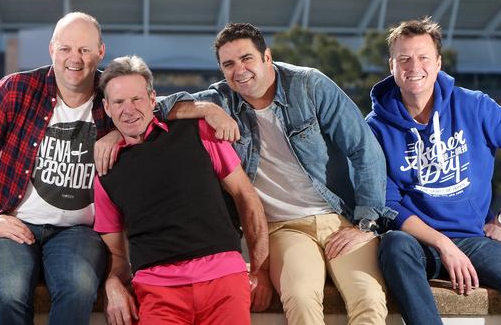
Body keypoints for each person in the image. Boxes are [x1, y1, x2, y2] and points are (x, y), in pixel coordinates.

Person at [158, 23, 393, 325]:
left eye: (247, 59)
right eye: (228, 64)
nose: (239, 70)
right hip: (284, 229)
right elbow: (156, 109)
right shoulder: (222, 99)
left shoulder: (309, 85)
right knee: (299, 297)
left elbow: (365, 149)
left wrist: (366, 224)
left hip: (339, 218)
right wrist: (207, 109)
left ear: (267, 58)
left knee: (369, 298)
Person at [366, 17, 501, 325]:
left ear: (438, 63)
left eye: (422, 57)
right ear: (391, 66)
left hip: (474, 239)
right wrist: (443, 244)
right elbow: (388, 203)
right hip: (420, 245)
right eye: (403, 59)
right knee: (393, 244)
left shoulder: (473, 106)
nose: (413, 66)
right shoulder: (375, 129)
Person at [0, 12, 120, 324]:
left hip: (79, 232)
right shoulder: (17, 90)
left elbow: (155, 112)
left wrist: (120, 131)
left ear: (101, 52)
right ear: (52, 49)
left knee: (78, 289)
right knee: (9, 293)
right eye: (65, 49)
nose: (74, 59)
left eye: (85, 50)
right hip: (12, 222)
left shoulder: (115, 98)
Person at [93, 55, 268, 325]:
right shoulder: (106, 173)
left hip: (223, 280)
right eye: (118, 102)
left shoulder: (198, 130)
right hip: (157, 292)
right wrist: (112, 283)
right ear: (106, 107)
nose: (129, 109)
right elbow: (117, 255)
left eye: (137, 99)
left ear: (153, 99)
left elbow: (246, 197)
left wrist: (260, 269)